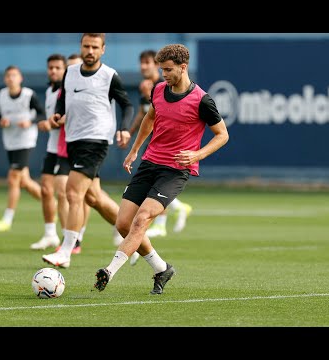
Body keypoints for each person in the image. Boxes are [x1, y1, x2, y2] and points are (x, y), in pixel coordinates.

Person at [93, 44, 229, 295]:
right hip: (149, 163)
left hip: (175, 171)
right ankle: (161, 268)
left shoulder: (202, 100)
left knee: (142, 219)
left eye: (168, 70)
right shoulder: (158, 90)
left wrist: (197, 154)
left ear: (183, 67)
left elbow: (222, 135)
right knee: (123, 223)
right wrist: (135, 150)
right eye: (161, 69)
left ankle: (110, 271)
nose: (163, 74)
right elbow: (150, 119)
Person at [42, 33, 134, 269]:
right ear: (81, 47)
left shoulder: (109, 75)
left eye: (95, 46)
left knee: (73, 193)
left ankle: (66, 250)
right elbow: (64, 98)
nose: (90, 50)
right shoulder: (70, 73)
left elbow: (127, 104)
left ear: (103, 49)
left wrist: (124, 128)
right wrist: (58, 114)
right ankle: (135, 238)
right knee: (94, 198)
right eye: (86, 46)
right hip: (73, 140)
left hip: (96, 140)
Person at [129, 50, 193, 247]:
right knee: (152, 184)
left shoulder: (166, 84)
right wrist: (130, 135)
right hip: (152, 139)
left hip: (166, 141)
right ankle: (179, 209)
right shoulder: (148, 89)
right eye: (143, 63)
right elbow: (145, 115)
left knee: (158, 181)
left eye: (147, 63)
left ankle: (162, 223)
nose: (144, 67)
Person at [30, 54, 83, 252]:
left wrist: (48, 123)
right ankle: (50, 234)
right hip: (52, 148)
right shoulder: (50, 91)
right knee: (45, 190)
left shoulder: (68, 90)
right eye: (50, 67)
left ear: (65, 70)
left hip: (68, 148)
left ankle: (71, 238)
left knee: (66, 193)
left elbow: (68, 117)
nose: (54, 71)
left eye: (58, 68)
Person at [0, 65, 46, 232]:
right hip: (10, 141)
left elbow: (42, 115)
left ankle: (7, 219)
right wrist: (2, 122)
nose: (11, 78)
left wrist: (30, 122)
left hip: (26, 140)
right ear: (4, 79)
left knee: (13, 177)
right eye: (8, 76)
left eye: (14, 75)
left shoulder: (28, 95)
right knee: (24, 181)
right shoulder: (1, 95)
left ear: (20, 78)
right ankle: (52, 204)